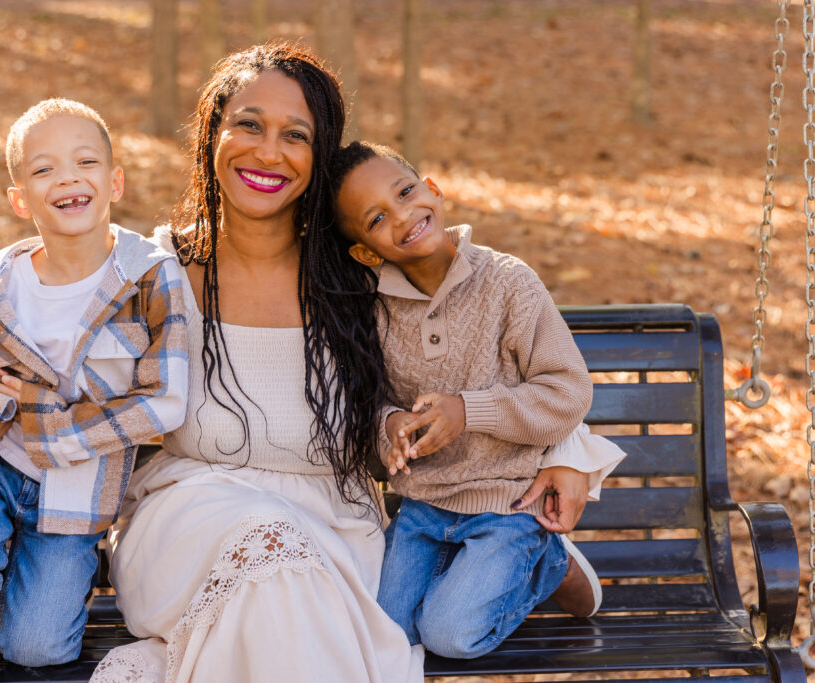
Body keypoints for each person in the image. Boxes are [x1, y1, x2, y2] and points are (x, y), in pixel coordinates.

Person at [88, 44, 604, 683]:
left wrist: (568, 453)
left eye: (295, 136)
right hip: (186, 520)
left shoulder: (356, 280)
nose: (269, 152)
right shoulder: (156, 270)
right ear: (212, 132)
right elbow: (49, 328)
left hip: (335, 528)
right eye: (249, 124)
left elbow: (481, 352)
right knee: (268, 556)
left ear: (319, 154)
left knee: (286, 592)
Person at [0, 98, 188, 667]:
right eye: (44, 169)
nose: (69, 178)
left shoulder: (148, 276)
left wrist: (48, 428)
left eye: (86, 163)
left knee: (38, 651)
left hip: (78, 487)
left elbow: (166, 400)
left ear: (115, 182)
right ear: (20, 198)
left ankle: (49, 576)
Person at [327, 140, 626, 659]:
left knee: (450, 635)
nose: (403, 216)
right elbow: (368, 404)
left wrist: (468, 410)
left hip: (509, 503)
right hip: (423, 505)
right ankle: (478, 575)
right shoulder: (373, 312)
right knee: (388, 636)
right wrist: (391, 424)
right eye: (377, 218)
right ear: (365, 251)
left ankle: (547, 561)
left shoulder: (509, 284)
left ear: (434, 189)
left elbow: (567, 391)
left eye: (405, 192)